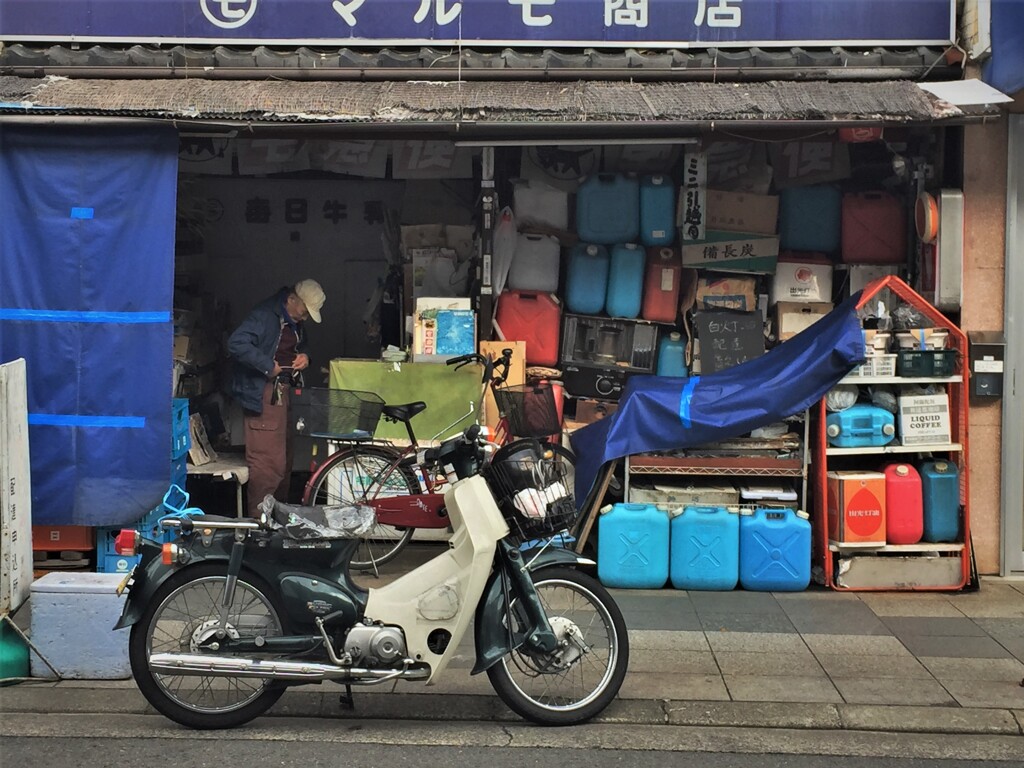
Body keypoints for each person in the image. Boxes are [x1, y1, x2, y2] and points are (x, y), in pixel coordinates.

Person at [228, 279, 326, 515]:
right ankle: (260, 525)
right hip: (264, 391)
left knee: (284, 460)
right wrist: (265, 366)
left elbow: (304, 344)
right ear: (291, 299)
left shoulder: (292, 318)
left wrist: (306, 356)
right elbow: (236, 343)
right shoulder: (263, 315)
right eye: (303, 312)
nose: (304, 318)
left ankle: (276, 519)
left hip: (284, 391)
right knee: (268, 464)